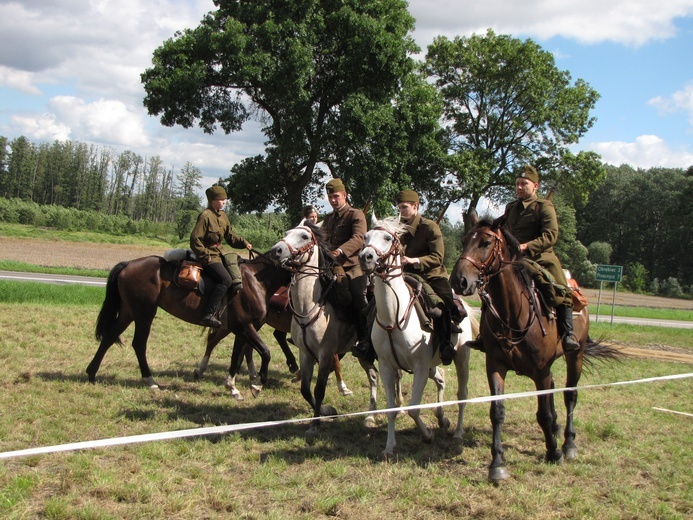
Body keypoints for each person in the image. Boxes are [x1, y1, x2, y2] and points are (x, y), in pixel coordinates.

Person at [497, 164, 579, 352]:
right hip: (513, 258)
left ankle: (568, 334)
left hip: (540, 258)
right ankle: (486, 334)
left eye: (523, 184)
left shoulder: (544, 207)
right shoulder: (510, 208)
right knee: (492, 285)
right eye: (517, 183)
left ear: (535, 186)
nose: (518, 187)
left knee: (560, 289)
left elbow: (550, 235)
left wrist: (526, 246)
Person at [396, 189, 458, 365]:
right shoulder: (398, 227)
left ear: (415, 206)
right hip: (405, 275)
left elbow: (437, 257)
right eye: (399, 208)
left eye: (404, 207)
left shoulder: (430, 226)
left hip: (431, 275)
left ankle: (445, 343)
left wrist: (413, 260)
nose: (401, 211)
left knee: (444, 300)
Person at [320, 178, 372, 359]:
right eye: (330, 197)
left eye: (336, 196)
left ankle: (364, 337)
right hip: (330, 264)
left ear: (344, 195)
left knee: (358, 295)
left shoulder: (355, 214)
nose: (333, 200)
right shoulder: (328, 218)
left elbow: (359, 238)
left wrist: (340, 251)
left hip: (352, 265)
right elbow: (323, 239)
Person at [190, 185, 252, 327]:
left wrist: (244, 243)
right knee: (225, 279)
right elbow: (195, 239)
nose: (224, 202)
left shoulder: (222, 215)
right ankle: (208, 314)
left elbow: (230, 236)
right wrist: (205, 255)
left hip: (220, 252)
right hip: (208, 255)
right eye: (221, 199)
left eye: (225, 199)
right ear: (213, 200)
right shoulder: (205, 216)